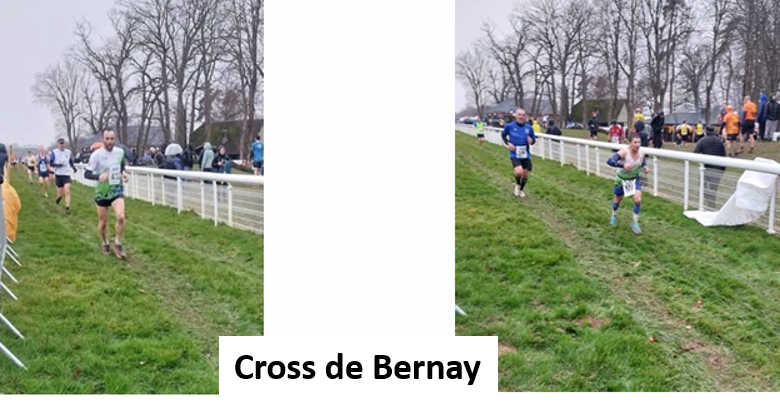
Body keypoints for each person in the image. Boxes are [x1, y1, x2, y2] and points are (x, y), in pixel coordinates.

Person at [84, 128, 129, 259]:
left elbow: (121, 166)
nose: (109, 141)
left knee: (121, 217)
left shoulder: (120, 152)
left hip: (116, 189)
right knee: (103, 222)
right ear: (102, 139)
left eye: (112, 139)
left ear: (115, 139)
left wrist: (124, 173)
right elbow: (86, 174)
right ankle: (105, 242)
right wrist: (99, 177)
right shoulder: (96, 155)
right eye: (107, 139)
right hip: (102, 192)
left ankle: (118, 243)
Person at [607, 135, 649, 234]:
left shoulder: (642, 152)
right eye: (635, 142)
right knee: (617, 201)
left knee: (638, 200)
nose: (637, 145)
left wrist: (645, 167)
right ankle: (614, 215)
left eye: (639, 142)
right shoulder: (624, 152)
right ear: (630, 143)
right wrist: (623, 165)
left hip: (634, 179)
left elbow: (642, 160)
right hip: (622, 180)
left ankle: (635, 222)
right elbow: (609, 161)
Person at [501, 108, 536, 198]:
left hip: (525, 153)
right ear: (516, 116)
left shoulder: (529, 127)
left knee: (525, 174)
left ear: (525, 116)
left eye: (523, 115)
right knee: (519, 171)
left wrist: (531, 141)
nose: (521, 117)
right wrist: (508, 143)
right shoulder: (509, 126)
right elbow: (503, 135)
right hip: (514, 153)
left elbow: (533, 140)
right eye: (519, 114)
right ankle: (517, 184)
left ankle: (521, 189)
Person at [694, 125, 726, 210]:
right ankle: (711, 205)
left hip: (707, 168)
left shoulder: (702, 140)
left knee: (702, 186)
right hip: (718, 168)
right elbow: (723, 155)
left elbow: (695, 153)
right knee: (713, 188)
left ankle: (709, 204)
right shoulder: (719, 141)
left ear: (705, 131)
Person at [49, 138, 78, 214]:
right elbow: (51, 163)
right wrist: (58, 165)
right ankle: (58, 198)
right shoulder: (54, 152)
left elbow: (70, 161)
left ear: (65, 144)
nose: (62, 145)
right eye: (60, 144)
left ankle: (67, 207)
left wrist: (73, 168)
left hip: (66, 174)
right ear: (58, 144)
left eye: (63, 143)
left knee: (67, 190)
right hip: (58, 175)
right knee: (60, 194)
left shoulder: (68, 152)